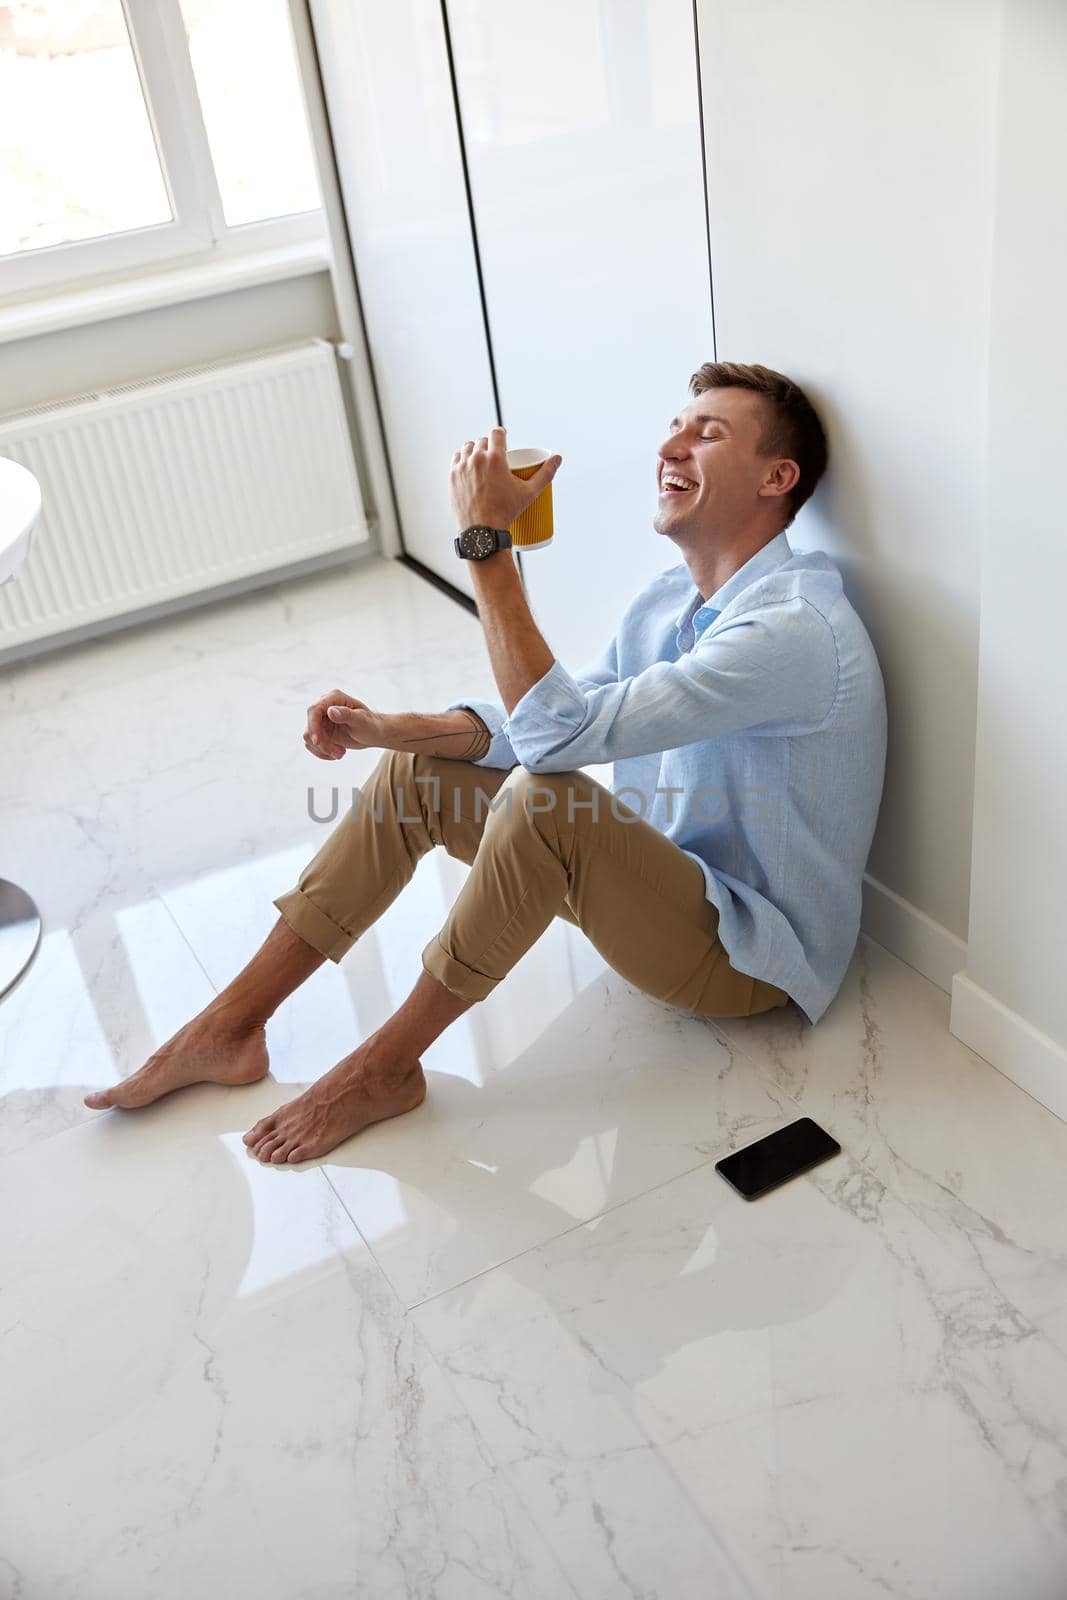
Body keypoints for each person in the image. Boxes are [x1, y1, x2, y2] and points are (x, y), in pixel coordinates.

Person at [84, 361, 887, 1167]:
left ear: (775, 478)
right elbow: (562, 719)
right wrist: (393, 729)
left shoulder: (790, 632)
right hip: (671, 887)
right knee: (414, 771)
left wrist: (486, 544)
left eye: (706, 433)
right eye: (677, 424)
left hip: (749, 959)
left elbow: (554, 746)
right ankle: (229, 1028)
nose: (671, 443)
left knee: (543, 797)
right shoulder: (665, 602)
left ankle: (384, 1069)